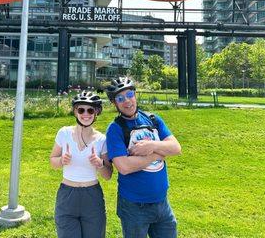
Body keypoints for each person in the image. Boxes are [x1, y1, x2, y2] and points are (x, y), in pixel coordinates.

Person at [105, 76, 182, 238]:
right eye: (120, 98)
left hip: (162, 203)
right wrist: (158, 153)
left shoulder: (153, 119)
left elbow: (176, 147)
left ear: (135, 94)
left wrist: (151, 146)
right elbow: (124, 167)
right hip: (134, 207)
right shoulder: (115, 129)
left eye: (130, 95)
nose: (127, 101)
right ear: (114, 103)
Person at [50, 90, 113, 238]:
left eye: (90, 110)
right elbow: (52, 160)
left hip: (92, 196)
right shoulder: (63, 133)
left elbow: (108, 175)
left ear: (96, 112)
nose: (86, 114)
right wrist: (61, 160)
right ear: (75, 112)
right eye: (81, 109)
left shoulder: (101, 140)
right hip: (67, 195)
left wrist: (100, 164)